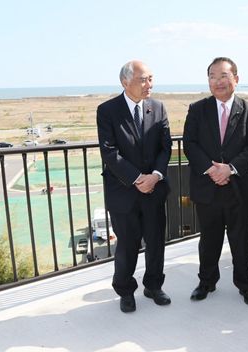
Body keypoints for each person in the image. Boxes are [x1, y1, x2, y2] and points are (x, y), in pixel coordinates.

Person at [183, 57, 248, 306]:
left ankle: (245, 284)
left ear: (236, 79)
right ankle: (206, 281)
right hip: (207, 188)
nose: (218, 81)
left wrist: (230, 169)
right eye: (213, 76)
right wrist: (211, 169)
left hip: (239, 188)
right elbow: (190, 144)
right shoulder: (197, 109)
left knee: (241, 241)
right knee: (209, 240)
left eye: (224, 76)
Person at [97, 60, 172, 313]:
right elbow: (109, 152)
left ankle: (153, 285)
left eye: (151, 78)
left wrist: (156, 176)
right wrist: (138, 179)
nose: (149, 84)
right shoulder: (107, 110)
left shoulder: (158, 108)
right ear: (125, 82)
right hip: (124, 192)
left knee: (155, 242)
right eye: (143, 79)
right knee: (128, 246)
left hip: (154, 189)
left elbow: (165, 147)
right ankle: (126, 290)